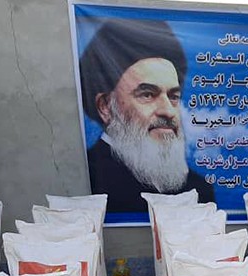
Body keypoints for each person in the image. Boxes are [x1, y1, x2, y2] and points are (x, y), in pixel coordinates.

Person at [79, 18, 215, 214]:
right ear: (105, 106)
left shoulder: (199, 189)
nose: (168, 111)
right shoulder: (85, 177)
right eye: (148, 95)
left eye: (173, 97)